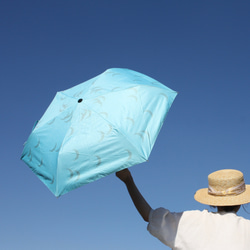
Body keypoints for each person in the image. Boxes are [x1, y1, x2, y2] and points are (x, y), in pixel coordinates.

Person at [116, 168, 250, 249]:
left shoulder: (193, 221)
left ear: (213, 201)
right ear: (241, 201)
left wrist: (128, 180)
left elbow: (148, 215)